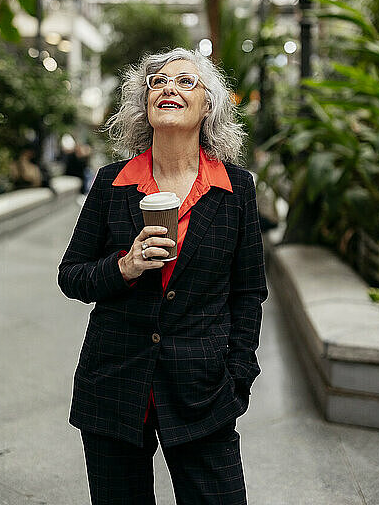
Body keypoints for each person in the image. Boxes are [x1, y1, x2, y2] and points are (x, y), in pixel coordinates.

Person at [57, 47, 269, 504]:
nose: (169, 87)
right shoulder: (112, 183)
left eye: (186, 81)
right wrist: (124, 267)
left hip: (203, 389)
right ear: (144, 105)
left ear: (208, 105)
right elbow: (71, 276)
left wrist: (239, 374)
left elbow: (249, 291)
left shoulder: (236, 190)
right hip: (113, 383)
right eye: (158, 82)